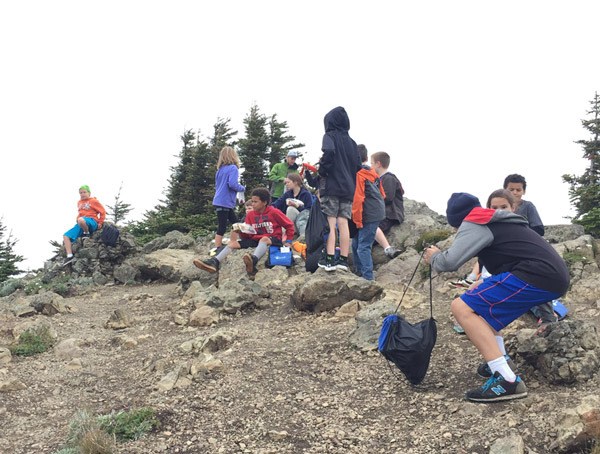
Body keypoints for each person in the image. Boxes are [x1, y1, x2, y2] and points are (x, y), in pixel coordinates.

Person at [424, 192, 569, 402]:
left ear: (457, 221)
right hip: (549, 276)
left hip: (537, 275)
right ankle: (502, 362)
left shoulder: (475, 223)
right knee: (481, 312)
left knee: (461, 307)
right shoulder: (498, 222)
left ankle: (507, 380)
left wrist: (434, 256)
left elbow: (448, 263)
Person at [193, 187, 294, 280]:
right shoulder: (250, 215)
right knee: (233, 243)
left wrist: (288, 240)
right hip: (255, 239)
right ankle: (214, 261)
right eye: (252, 201)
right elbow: (249, 234)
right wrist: (241, 231)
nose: (252, 204)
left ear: (264, 202)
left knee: (264, 239)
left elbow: (289, 225)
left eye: (255, 202)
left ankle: (253, 260)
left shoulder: (274, 212)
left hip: (272, 239)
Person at [317, 106, 362, 272]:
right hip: (349, 188)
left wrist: (323, 170)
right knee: (343, 222)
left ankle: (329, 258)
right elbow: (358, 166)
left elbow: (328, 152)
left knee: (331, 222)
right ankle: (343, 259)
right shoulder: (352, 143)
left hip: (332, 185)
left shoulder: (329, 136)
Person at [351, 146, 386, 280]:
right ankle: (359, 272)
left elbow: (358, 198)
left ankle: (368, 279)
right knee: (355, 243)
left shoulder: (359, 174)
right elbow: (382, 193)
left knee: (363, 246)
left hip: (369, 214)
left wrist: (357, 219)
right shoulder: (371, 172)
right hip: (375, 211)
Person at [369, 150, 404, 259]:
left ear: (378, 164)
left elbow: (387, 197)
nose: (370, 166)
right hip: (383, 213)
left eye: (372, 163)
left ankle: (388, 248)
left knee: (371, 227)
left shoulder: (389, 178)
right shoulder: (379, 179)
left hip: (390, 214)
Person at [62, 185, 106, 266]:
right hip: (81, 223)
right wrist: (78, 218)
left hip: (92, 221)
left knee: (81, 220)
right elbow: (80, 213)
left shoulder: (94, 201)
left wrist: (100, 222)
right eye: (80, 193)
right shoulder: (79, 202)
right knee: (66, 236)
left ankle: (87, 233)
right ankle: (69, 256)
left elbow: (102, 212)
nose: (82, 194)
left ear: (89, 193)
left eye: (84, 192)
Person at [212, 146, 246, 249]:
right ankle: (217, 248)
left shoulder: (220, 170)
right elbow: (232, 184)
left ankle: (232, 242)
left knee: (236, 223)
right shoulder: (233, 168)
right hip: (225, 201)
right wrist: (242, 188)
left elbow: (218, 185)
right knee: (222, 226)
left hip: (219, 200)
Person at [271, 172, 313, 237]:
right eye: (286, 183)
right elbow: (277, 204)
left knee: (291, 209)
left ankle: (285, 234)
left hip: (303, 221)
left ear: (295, 182)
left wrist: (297, 206)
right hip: (292, 223)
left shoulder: (306, 194)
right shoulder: (288, 194)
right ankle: (284, 234)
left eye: (288, 182)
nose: (286, 184)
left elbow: (310, 210)